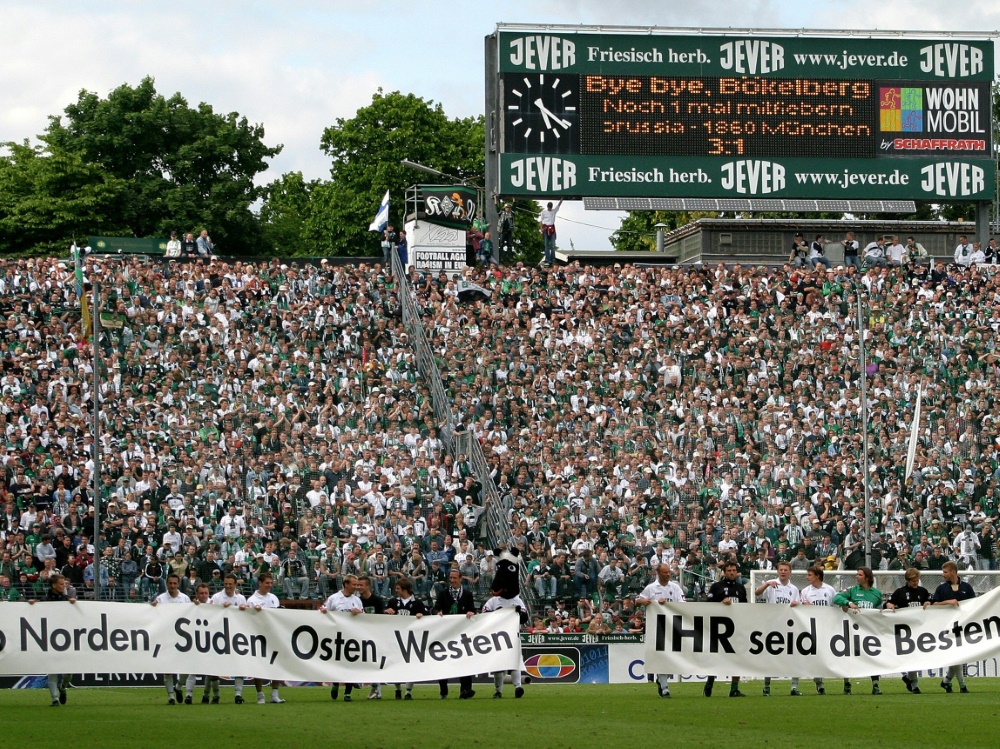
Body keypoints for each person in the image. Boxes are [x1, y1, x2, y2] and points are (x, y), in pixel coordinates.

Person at [635, 563, 687, 698]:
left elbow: (683, 604)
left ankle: (661, 680)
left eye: (669, 572)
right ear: (658, 573)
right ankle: (664, 687)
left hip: (672, 626)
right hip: (656, 628)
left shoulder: (675, 587)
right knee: (660, 655)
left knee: (670, 656)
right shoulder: (651, 588)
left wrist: (668, 604)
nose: (668, 574)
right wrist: (645, 601)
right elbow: (637, 600)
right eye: (665, 572)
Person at [832, 567, 883, 695]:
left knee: (873, 657)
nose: (857, 577)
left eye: (860, 575)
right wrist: (848, 603)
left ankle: (875, 685)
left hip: (869, 632)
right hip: (852, 631)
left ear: (867, 577)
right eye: (857, 574)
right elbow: (836, 598)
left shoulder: (876, 593)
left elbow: (880, 611)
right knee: (849, 657)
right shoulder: (852, 590)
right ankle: (847, 684)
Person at [754, 561, 801, 696]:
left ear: (790, 572)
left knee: (794, 655)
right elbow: (757, 593)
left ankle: (794, 687)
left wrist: (796, 604)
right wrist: (767, 583)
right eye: (780, 570)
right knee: (770, 656)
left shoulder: (794, 589)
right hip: (772, 626)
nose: (783, 572)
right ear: (777, 571)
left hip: (789, 626)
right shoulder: (771, 584)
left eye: (786, 570)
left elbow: (797, 606)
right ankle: (766, 686)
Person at [29, 573, 75, 706]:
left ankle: (63, 687)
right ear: (54, 585)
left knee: (68, 672)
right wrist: (32, 604)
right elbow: (36, 610)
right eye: (61, 584)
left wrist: (73, 603)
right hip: (50, 639)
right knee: (52, 670)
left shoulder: (67, 600)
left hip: (66, 639)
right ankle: (55, 699)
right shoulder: (45, 600)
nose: (64, 586)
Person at [703, 561, 746, 697]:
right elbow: (707, 605)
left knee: (737, 658)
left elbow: (745, 608)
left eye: (734, 570)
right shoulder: (716, 587)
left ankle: (734, 689)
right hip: (719, 629)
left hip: (737, 628)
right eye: (729, 570)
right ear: (724, 572)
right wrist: (720, 603)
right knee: (715, 658)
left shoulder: (741, 588)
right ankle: (709, 683)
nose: (732, 572)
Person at [885, 568, 931, 694]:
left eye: (917, 580)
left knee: (915, 657)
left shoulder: (923, 591)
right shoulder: (900, 592)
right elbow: (888, 603)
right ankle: (914, 684)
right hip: (904, 631)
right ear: (907, 580)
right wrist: (889, 605)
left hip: (919, 629)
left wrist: (928, 603)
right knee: (910, 657)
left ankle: (909, 679)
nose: (915, 583)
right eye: (913, 581)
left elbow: (931, 602)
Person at [432, 567, 477, 699]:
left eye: (454, 578)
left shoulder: (467, 594)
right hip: (446, 634)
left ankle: (466, 690)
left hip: (463, 635)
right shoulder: (444, 593)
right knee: (443, 662)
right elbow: (435, 609)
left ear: (461, 579)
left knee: (465, 661)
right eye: (450, 578)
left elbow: (473, 610)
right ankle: (443, 691)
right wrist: (437, 613)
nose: (452, 580)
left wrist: (471, 613)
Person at [932, 560, 975, 693]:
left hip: (964, 627)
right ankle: (962, 685)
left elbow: (975, 604)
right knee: (957, 655)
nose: (943, 575)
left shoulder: (967, 587)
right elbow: (934, 604)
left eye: (945, 572)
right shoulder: (941, 588)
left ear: (953, 572)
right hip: (947, 628)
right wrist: (947, 602)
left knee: (957, 656)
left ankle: (946, 682)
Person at [321, 573, 363, 702]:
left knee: (350, 663)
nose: (356, 587)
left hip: (352, 637)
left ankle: (347, 693)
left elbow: (365, 617)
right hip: (337, 636)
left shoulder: (357, 600)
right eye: (354, 584)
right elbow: (323, 610)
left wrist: (359, 613)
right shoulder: (334, 598)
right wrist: (323, 611)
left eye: (357, 584)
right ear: (346, 584)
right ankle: (335, 683)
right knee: (338, 663)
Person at [150, 573, 191, 704]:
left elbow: (192, 615)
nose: (172, 586)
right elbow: (154, 615)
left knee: (186, 667)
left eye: (174, 583)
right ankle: (171, 696)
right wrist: (152, 608)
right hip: (166, 638)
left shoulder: (184, 599)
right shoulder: (161, 599)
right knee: (167, 669)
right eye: (170, 583)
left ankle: (178, 687)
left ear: (178, 584)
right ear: (167, 584)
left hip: (182, 639)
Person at [209, 573, 249, 703]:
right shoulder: (216, 597)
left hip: (237, 636)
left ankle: (238, 694)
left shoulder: (241, 598)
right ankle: (216, 695)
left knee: (239, 665)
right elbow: (209, 614)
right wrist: (220, 609)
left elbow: (247, 617)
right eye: (226, 584)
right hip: (219, 636)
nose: (227, 586)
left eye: (230, 584)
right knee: (215, 667)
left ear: (235, 584)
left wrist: (245, 610)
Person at [385, 577, 427, 700]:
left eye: (398, 588)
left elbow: (429, 616)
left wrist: (422, 615)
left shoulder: (417, 603)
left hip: (411, 640)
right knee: (396, 665)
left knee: (410, 665)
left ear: (405, 589)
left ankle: (408, 691)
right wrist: (386, 611)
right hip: (396, 639)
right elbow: (383, 616)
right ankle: (397, 689)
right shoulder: (393, 602)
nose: (396, 590)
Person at [246, 573, 285, 704]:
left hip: (274, 636)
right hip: (259, 636)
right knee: (259, 666)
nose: (269, 585)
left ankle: (275, 694)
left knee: (277, 664)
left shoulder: (274, 598)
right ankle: (260, 695)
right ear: (260, 583)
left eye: (271, 583)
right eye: (267, 583)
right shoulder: (252, 600)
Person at [798, 565, 837, 695]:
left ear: (818, 576)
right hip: (811, 628)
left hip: (827, 628)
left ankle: (845, 682)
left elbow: (835, 608)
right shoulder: (805, 592)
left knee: (827, 655)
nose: (807, 577)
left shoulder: (830, 590)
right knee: (814, 655)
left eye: (809, 575)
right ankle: (819, 683)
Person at [357, 575, 387, 699]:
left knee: (374, 662)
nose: (358, 587)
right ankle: (359, 681)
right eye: (357, 585)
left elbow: (381, 618)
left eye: (361, 585)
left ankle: (376, 688)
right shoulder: (357, 600)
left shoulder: (377, 600)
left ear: (368, 586)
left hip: (375, 636)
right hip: (360, 635)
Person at [539, 199, 563, 266]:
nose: (550, 207)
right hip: (546, 228)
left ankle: (553, 258)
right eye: (549, 206)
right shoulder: (543, 212)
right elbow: (540, 221)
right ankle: (547, 258)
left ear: (552, 206)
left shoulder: (553, 211)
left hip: (552, 228)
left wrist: (562, 199)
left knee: (552, 245)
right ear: (547, 206)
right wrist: (541, 228)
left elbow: (559, 205)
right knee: (546, 245)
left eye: (550, 206)